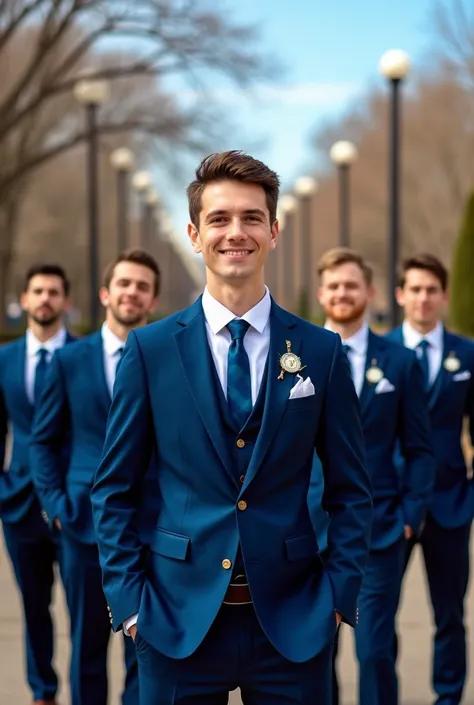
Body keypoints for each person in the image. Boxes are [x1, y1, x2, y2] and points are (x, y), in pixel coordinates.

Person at [91, 150, 373, 705]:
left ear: (273, 230)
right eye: (219, 219)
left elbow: (352, 487)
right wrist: (129, 605)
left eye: (250, 218)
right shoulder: (149, 351)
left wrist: (340, 595)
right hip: (175, 620)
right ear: (195, 235)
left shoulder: (320, 350)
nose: (234, 233)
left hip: (294, 620)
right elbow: (114, 486)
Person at [30, 249, 161, 705]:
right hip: (82, 524)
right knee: (86, 643)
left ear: (153, 300)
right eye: (124, 283)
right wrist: (55, 506)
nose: (132, 292)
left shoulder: (164, 359)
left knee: (144, 646)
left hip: (150, 524)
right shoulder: (68, 361)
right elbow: (41, 441)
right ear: (107, 292)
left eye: (142, 286)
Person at [315, 247, 434, 705]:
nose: (342, 293)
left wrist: (411, 515)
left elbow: (421, 449)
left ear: (371, 291)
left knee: (374, 650)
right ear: (322, 292)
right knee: (314, 652)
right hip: (307, 530)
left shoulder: (401, 363)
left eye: (351, 285)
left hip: (379, 530)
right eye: (334, 286)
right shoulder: (292, 355)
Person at [387, 253, 474, 705]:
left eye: (431, 290)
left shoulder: (468, 354)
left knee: (449, 615)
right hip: (393, 507)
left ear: (442, 296)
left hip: (450, 505)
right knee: (382, 616)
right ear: (401, 296)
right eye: (414, 289)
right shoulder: (380, 353)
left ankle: (448, 698)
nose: (423, 298)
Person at [0, 264, 75, 705]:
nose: (45, 298)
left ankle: (87, 689)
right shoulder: (4, 361)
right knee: (33, 606)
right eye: (38, 291)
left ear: (65, 302)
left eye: (53, 292)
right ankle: (43, 692)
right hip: (20, 505)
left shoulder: (85, 355)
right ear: (25, 300)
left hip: (72, 504)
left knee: (82, 609)